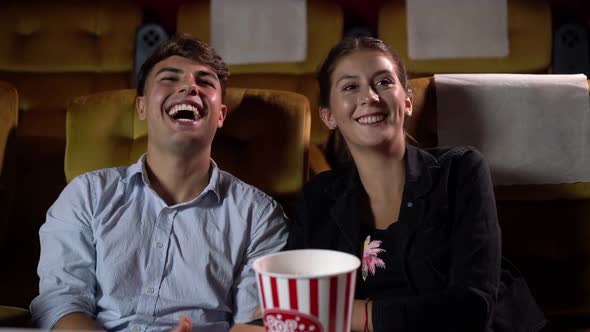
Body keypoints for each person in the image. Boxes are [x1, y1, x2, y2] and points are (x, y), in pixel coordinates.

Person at [30, 34, 288, 332]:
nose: (189, 87)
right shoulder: (86, 194)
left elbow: (254, 321)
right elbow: (61, 303)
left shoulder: (260, 216)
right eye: (169, 78)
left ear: (220, 115)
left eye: (205, 82)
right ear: (141, 107)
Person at [286, 37, 547, 332]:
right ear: (329, 116)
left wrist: (352, 315)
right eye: (350, 87)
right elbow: (292, 302)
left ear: (407, 101)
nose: (370, 97)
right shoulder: (318, 196)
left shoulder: (460, 170)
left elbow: (472, 307)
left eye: (383, 82)